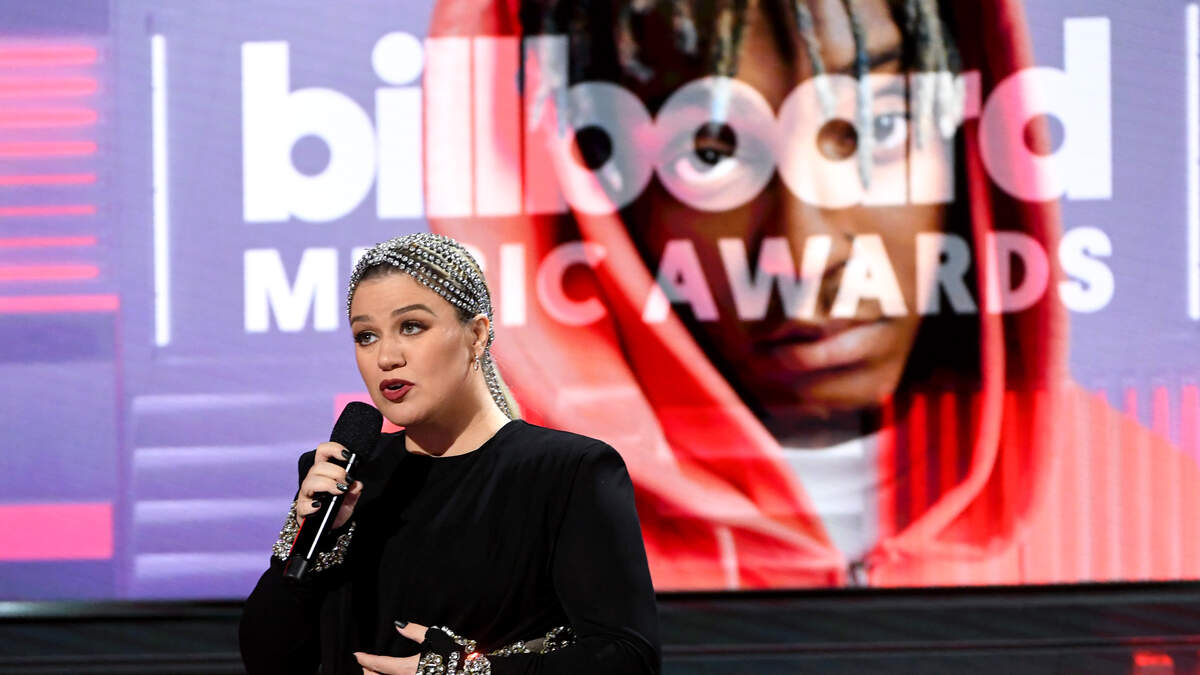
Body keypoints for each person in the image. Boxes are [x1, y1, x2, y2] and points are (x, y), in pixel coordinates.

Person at [427, 0, 1200, 589]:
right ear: (592, 185)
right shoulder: (470, 538)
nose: (806, 254)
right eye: (710, 151)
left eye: (877, 127)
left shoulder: (1155, 513)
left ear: (972, 137)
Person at [238, 233, 662, 674]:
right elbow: (269, 660)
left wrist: (462, 671)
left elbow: (629, 658)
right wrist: (307, 540)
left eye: (411, 326)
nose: (386, 357)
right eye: (366, 336)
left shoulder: (568, 473)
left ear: (476, 335)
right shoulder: (343, 477)